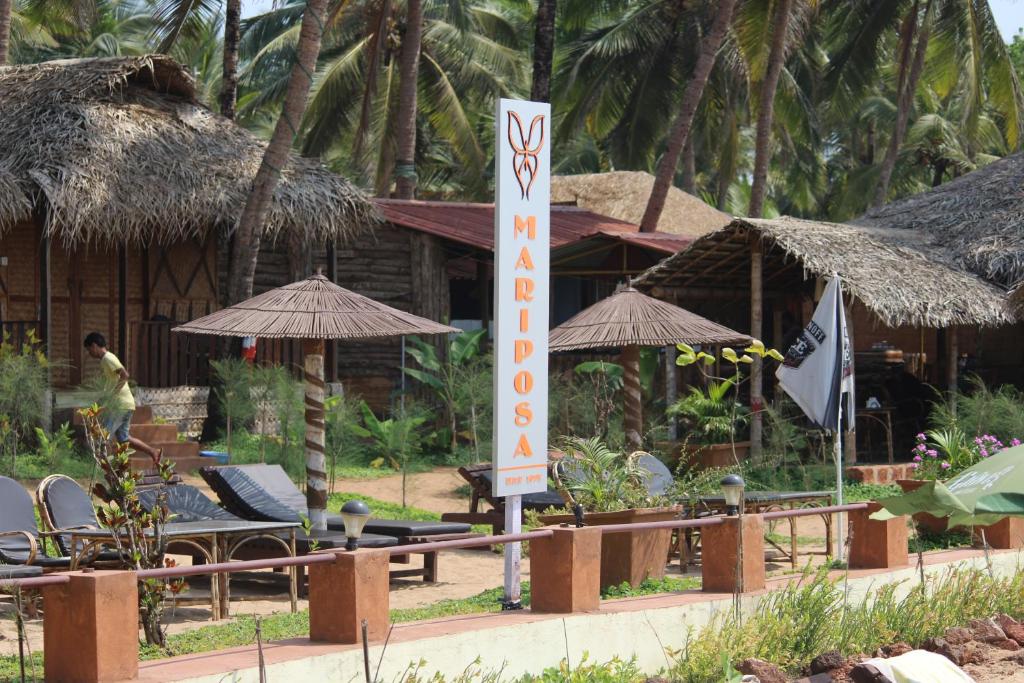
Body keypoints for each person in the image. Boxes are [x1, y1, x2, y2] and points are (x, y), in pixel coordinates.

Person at [82, 332, 161, 461]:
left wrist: (112, 396)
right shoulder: (106, 359)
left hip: (120, 405)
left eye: (89, 349)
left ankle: (102, 465)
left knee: (103, 435)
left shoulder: (108, 358)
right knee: (124, 438)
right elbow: (113, 381)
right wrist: (104, 398)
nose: (89, 353)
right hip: (126, 404)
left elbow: (125, 375)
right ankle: (153, 451)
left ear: (94, 346)